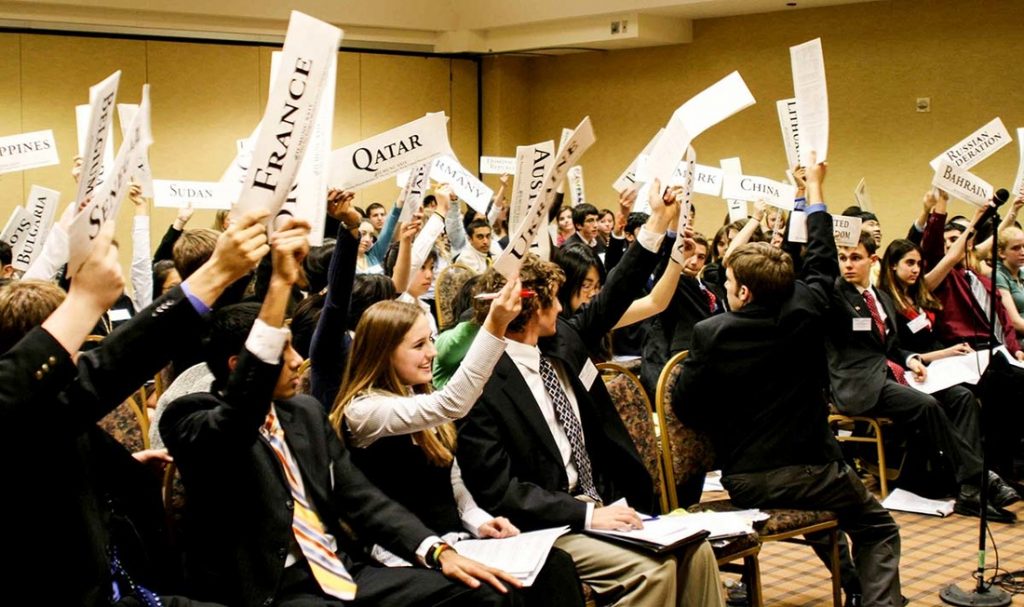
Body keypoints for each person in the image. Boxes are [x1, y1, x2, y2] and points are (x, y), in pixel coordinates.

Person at [161, 218, 522, 607]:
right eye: (283, 352)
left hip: (340, 570)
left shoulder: (304, 412)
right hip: (272, 587)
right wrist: (280, 285)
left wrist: (438, 552)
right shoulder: (188, 415)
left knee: (484, 594)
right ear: (241, 365)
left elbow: (362, 499)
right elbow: (234, 426)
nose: (300, 361)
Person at [458, 181, 724, 607]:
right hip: (549, 526)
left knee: (698, 551)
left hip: (604, 502)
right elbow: (500, 491)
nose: (563, 308)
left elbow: (619, 291)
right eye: (551, 301)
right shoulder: (481, 384)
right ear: (528, 309)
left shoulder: (562, 340)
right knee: (652, 575)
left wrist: (657, 220)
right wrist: (585, 514)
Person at [0, 209, 271, 605]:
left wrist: (120, 472)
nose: (79, 355)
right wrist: (84, 301)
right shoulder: (27, 416)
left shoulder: (51, 415)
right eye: (70, 346)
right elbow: (109, 368)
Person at [675, 156, 903, 607]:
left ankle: (856, 587)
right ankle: (877, 600)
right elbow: (819, 257)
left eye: (730, 281)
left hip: (747, 478)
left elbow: (686, 407)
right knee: (877, 526)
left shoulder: (711, 334)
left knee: (828, 515)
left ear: (742, 292)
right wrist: (812, 191)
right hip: (818, 473)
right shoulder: (807, 309)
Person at [331, 282, 586, 606]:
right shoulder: (365, 411)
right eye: (419, 345)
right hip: (403, 552)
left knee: (554, 565)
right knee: (499, 594)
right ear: (384, 353)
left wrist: (480, 520)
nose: (432, 353)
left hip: (458, 539)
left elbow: (452, 480)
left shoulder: (415, 394)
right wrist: (495, 325)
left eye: (431, 341)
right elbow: (453, 404)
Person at [827, 229, 1017, 522]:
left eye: (855, 258)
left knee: (961, 396)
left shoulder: (880, 298)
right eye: (842, 258)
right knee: (926, 405)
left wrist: (913, 359)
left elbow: (892, 348)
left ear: (872, 260)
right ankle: (981, 478)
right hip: (862, 384)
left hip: (895, 373)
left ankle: (968, 490)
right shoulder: (834, 295)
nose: (848, 264)